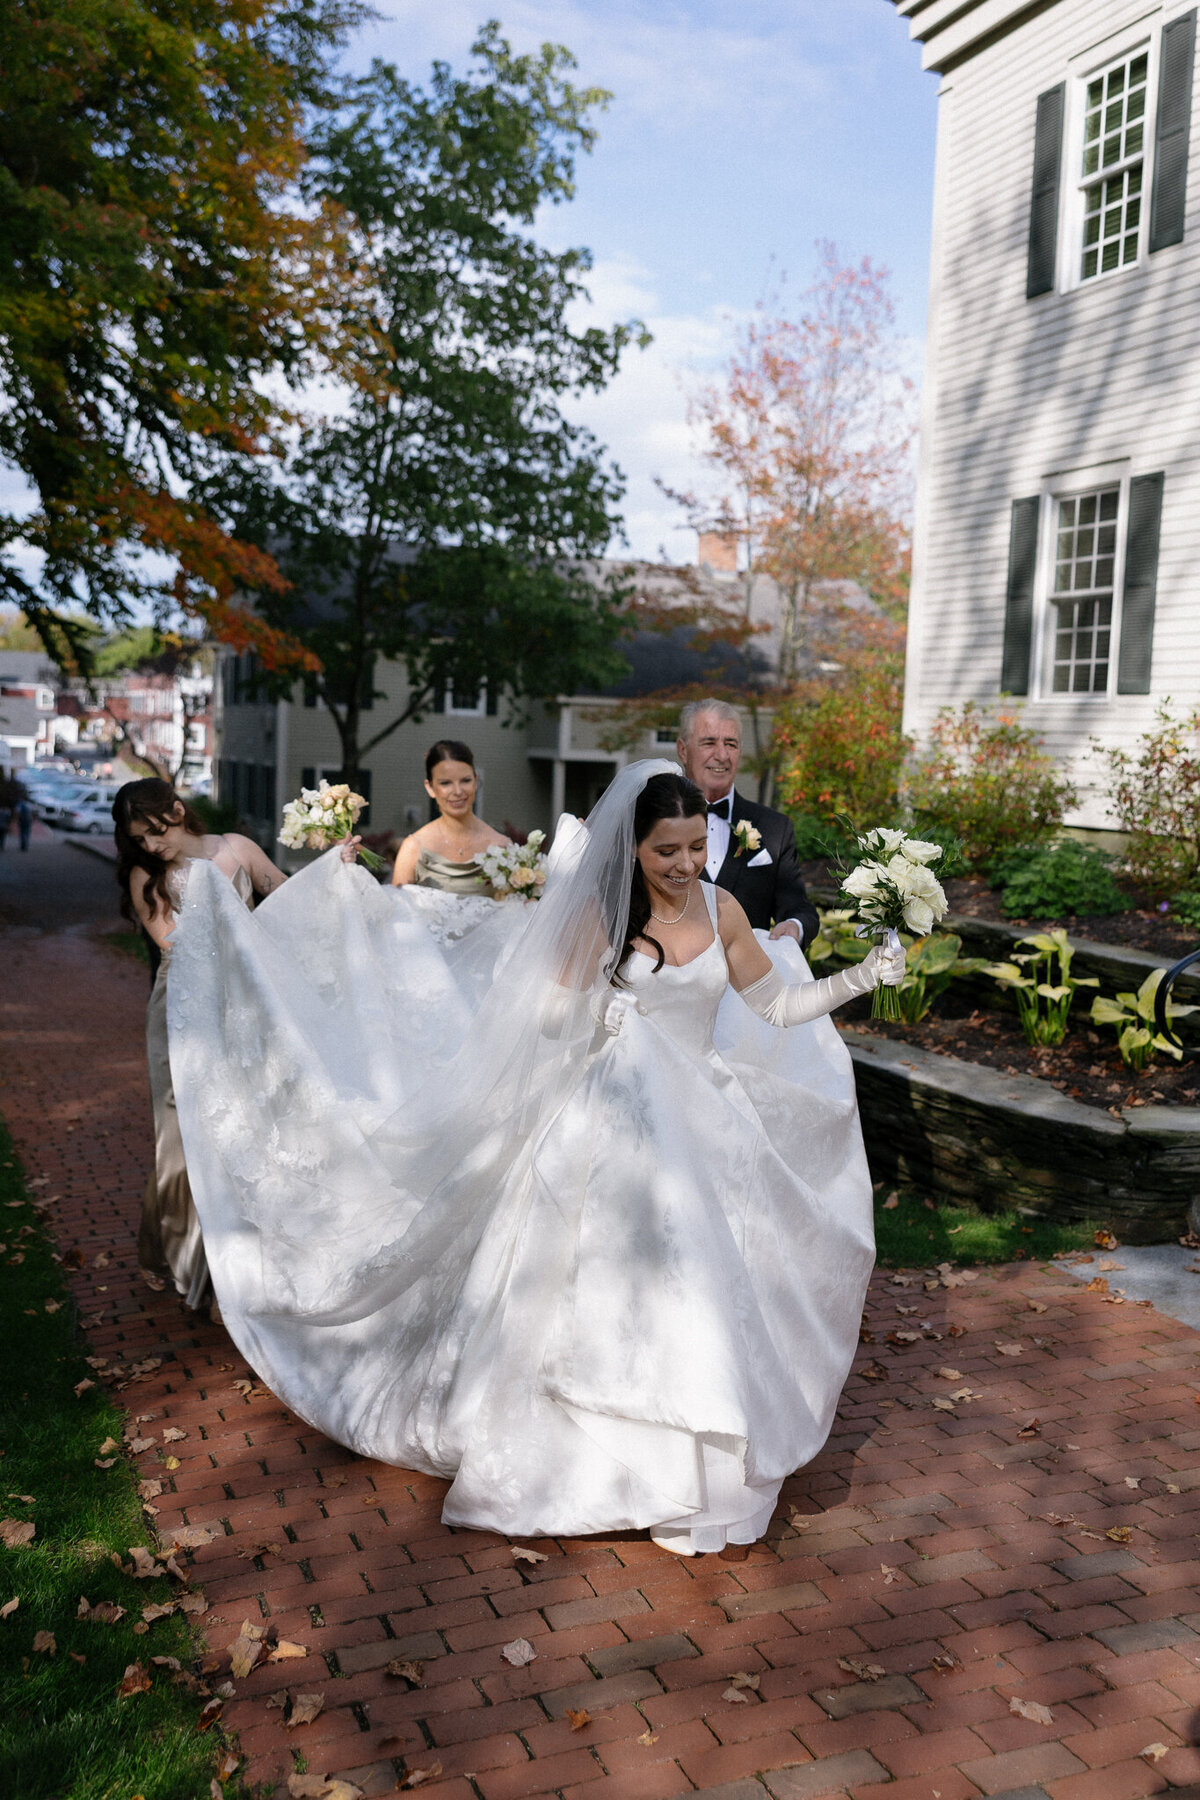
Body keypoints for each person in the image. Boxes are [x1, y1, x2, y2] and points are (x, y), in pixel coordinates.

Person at [165, 760, 902, 1554]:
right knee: (628, 1288)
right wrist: (600, 1012)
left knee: (716, 1290)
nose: (687, 865)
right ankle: (616, 1457)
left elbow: (775, 1003)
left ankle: (707, 1460)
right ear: (634, 849)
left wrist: (861, 977)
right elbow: (544, 1020)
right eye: (668, 852)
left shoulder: (721, 909)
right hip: (619, 1130)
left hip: (710, 1129)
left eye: (695, 848)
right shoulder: (602, 917)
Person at [114, 779, 289, 1312]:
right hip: (183, 1009)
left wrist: (337, 872)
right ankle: (187, 1261)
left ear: (177, 810)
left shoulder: (237, 849)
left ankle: (236, 1268)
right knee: (183, 1132)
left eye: (153, 831)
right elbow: (175, 943)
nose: (149, 845)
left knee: (244, 1128)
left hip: (245, 1006)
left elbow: (288, 899)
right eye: (138, 838)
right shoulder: (148, 877)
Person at [676, 698, 820, 949]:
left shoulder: (775, 828)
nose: (721, 755)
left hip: (749, 982)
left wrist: (794, 926)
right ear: (683, 750)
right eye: (709, 742)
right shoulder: (653, 824)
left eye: (730, 744)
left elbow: (799, 908)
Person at [391, 740, 510, 893]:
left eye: (465, 781)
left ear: (475, 781)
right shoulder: (413, 848)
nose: (458, 791)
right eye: (446, 783)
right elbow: (396, 911)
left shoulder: (502, 846)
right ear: (430, 788)